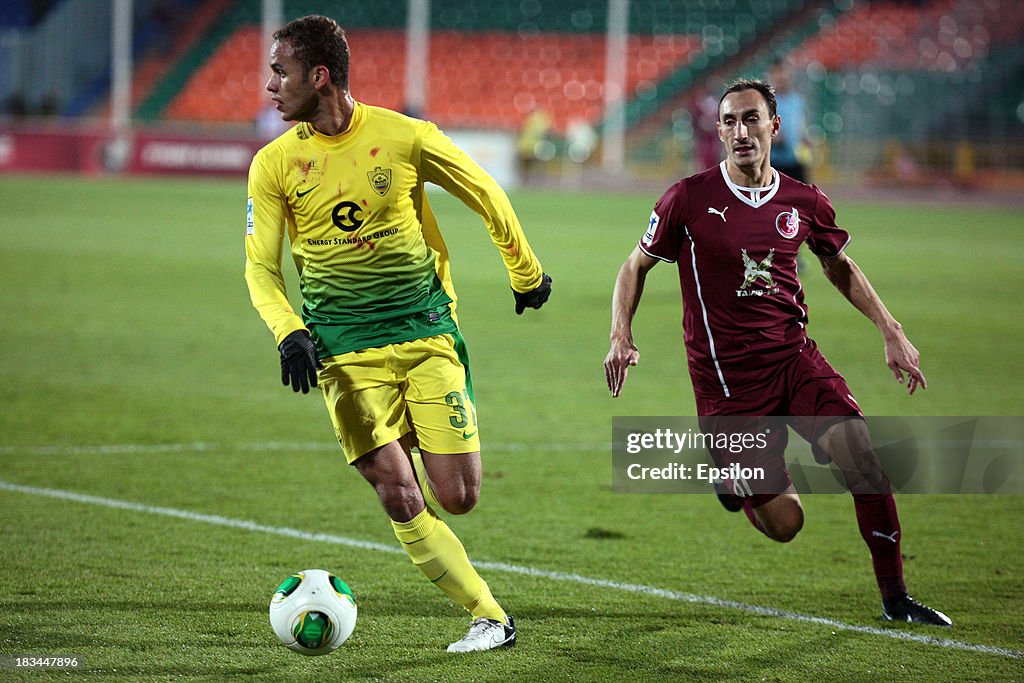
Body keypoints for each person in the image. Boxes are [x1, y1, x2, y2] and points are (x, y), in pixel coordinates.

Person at [245, 15, 552, 652]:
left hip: (424, 332)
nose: (270, 85)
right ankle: (489, 615)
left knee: (459, 495)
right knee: (395, 488)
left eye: (281, 71)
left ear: (319, 76)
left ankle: (418, 428)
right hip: (342, 351)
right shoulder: (274, 164)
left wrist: (525, 272)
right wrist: (288, 332)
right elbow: (260, 266)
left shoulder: (406, 137)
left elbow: (485, 190)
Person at [603, 78, 950, 626]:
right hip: (727, 385)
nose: (741, 131)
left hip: (794, 362)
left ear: (774, 125)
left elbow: (838, 264)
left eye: (751, 119)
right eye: (730, 122)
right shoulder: (687, 199)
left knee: (864, 458)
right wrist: (621, 334)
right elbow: (634, 265)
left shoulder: (804, 201)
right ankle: (735, 487)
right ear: (718, 131)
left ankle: (895, 598)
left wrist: (890, 328)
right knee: (787, 524)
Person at [767, 59, 809, 182]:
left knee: (803, 196)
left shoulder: (797, 100)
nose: (782, 77)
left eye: (785, 73)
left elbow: (800, 124)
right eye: (778, 73)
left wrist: (805, 137)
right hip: (772, 161)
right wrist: (772, 136)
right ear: (771, 76)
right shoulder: (766, 100)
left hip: (794, 159)